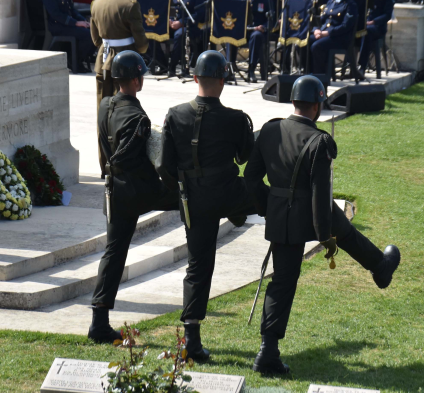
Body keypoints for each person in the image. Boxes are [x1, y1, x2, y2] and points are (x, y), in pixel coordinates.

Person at [245, 75, 401, 375]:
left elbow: (251, 178)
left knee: (284, 280)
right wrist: (324, 237)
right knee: (335, 231)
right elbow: (320, 197)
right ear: (317, 106)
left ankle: (380, 267)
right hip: (308, 214)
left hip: (284, 217)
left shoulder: (269, 130)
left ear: (293, 102)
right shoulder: (320, 142)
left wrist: (271, 207)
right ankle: (380, 267)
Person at [157, 50, 257, 361]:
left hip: (195, 199)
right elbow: (245, 158)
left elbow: (165, 165)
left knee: (198, 266)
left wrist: (185, 186)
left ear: (196, 77)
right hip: (228, 193)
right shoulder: (236, 119)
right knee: (268, 199)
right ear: (223, 81)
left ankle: (191, 337)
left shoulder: (174, 115)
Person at [88, 50, 178, 343]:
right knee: (188, 197)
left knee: (113, 254)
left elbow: (107, 149)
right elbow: (135, 160)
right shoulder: (138, 117)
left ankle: (99, 321)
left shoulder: (104, 105)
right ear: (136, 80)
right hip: (134, 191)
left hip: (113, 190)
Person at [90, 0, 149, 176]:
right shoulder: (130, 5)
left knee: (102, 116)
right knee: (125, 114)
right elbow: (141, 46)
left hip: (102, 65)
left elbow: (96, 40)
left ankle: (104, 165)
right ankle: (121, 165)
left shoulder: (97, 3)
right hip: (124, 67)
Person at [42, 0, 95, 73]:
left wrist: (83, 20)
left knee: (95, 31)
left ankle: (79, 59)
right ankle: (74, 61)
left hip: (68, 25)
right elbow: (56, 14)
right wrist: (75, 23)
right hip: (58, 25)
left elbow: (72, 10)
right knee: (87, 35)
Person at [306, 0, 358, 75]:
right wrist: (316, 30)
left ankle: (320, 75)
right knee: (304, 42)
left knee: (316, 46)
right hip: (323, 33)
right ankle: (308, 71)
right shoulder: (331, 3)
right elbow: (320, 20)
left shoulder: (350, 5)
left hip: (339, 37)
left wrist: (327, 33)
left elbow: (345, 26)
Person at [161, 0, 205, 76]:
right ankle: (162, 63)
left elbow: (199, 14)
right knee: (151, 33)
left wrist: (181, 23)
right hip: (169, 25)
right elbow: (162, 10)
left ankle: (173, 66)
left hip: (187, 27)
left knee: (180, 35)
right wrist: (168, 21)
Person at [353, 0, 395, 72]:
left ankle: (361, 67)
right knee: (348, 29)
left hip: (376, 27)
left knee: (366, 31)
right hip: (360, 24)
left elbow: (387, 14)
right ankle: (350, 65)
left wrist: (374, 21)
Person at [228, 0, 271, 83]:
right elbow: (231, 14)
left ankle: (251, 69)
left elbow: (272, 18)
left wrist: (264, 27)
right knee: (229, 35)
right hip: (239, 29)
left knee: (257, 36)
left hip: (256, 31)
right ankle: (229, 68)